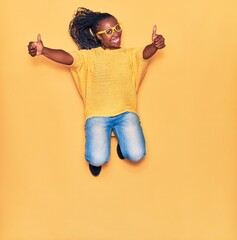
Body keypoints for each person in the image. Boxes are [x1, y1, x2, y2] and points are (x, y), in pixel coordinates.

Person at [28, 7, 165, 177]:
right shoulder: (89, 57)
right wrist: (44, 51)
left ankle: (123, 143)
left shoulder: (129, 55)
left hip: (125, 113)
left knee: (136, 155)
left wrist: (154, 45)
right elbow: (67, 57)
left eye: (117, 28)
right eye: (108, 31)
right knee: (97, 159)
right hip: (97, 115)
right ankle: (98, 156)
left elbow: (144, 54)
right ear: (99, 36)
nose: (115, 33)